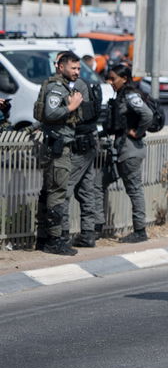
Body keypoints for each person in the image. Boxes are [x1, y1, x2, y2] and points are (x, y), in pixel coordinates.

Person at [34, 51, 103, 254]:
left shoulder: (66, 85)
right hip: (59, 146)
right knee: (58, 193)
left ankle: (50, 238)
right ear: (60, 66)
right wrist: (71, 106)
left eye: (79, 68)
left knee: (63, 190)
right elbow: (51, 112)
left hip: (66, 144)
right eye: (73, 68)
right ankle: (56, 239)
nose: (77, 72)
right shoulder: (58, 88)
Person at [103, 62, 158, 243]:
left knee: (135, 190)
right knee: (100, 184)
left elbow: (147, 115)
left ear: (124, 79)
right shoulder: (121, 95)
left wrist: (138, 131)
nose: (110, 82)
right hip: (124, 148)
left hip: (130, 149)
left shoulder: (130, 95)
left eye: (113, 78)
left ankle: (140, 231)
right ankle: (95, 227)